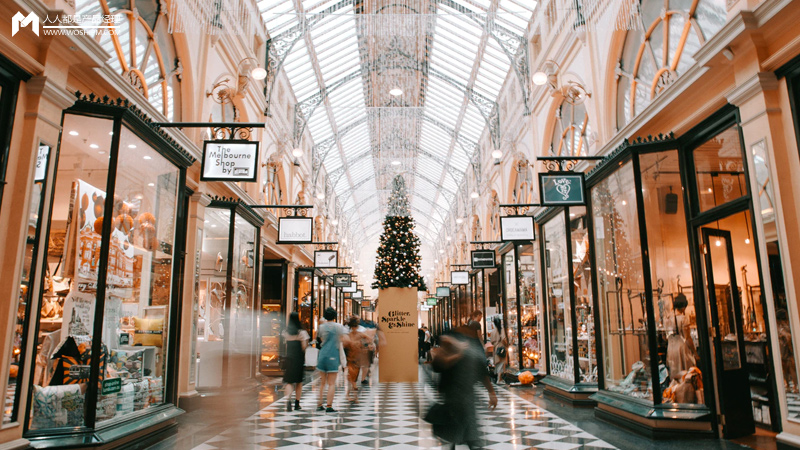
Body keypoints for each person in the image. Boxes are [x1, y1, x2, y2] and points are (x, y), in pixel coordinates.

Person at [429, 326, 497, 449]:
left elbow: (481, 372)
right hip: (452, 400)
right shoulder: (448, 352)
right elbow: (438, 365)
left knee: (468, 436)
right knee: (457, 436)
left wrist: (491, 393)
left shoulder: (468, 351)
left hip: (465, 399)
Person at [317, 307, 346, 412]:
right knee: (331, 383)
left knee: (322, 383)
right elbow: (342, 340)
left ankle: (319, 405)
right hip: (333, 356)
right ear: (334, 316)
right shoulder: (339, 327)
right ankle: (329, 406)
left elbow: (320, 339)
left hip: (322, 355)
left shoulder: (321, 327)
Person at [282, 312, 309, 412]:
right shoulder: (302, 333)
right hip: (298, 359)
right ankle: (297, 403)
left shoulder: (285, 332)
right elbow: (304, 347)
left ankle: (288, 401)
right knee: (298, 382)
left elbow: (285, 345)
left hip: (289, 358)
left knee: (289, 381)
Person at [343, 316, 369, 403]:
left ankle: (349, 394)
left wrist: (364, 345)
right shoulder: (353, 335)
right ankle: (354, 395)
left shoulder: (351, 335)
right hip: (351, 358)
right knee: (353, 377)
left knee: (354, 377)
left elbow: (369, 339)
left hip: (355, 358)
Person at [490, 316, 508, 384]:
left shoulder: (493, 331)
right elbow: (503, 339)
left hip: (496, 348)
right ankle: (499, 379)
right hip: (501, 347)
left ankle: (499, 378)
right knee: (501, 362)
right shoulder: (501, 329)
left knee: (497, 363)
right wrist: (506, 344)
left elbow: (492, 341)